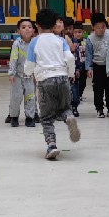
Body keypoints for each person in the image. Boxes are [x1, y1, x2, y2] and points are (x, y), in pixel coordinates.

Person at [25, 9, 80, 160]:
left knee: (46, 116)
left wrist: (28, 73)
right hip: (62, 77)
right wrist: (70, 73)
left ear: (37, 25)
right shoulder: (60, 40)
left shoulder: (34, 42)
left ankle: (52, 145)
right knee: (64, 107)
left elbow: (29, 64)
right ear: (55, 24)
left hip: (45, 80)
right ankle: (69, 117)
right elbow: (70, 58)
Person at [5, 18, 37, 127]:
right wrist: (11, 73)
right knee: (16, 97)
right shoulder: (16, 44)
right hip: (18, 76)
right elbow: (13, 58)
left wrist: (37, 74)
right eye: (23, 27)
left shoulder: (35, 43)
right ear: (18, 31)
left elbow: (38, 59)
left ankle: (30, 117)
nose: (27, 29)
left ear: (33, 30)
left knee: (30, 97)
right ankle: (14, 117)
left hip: (30, 76)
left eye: (29, 27)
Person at [85, 13, 109, 118]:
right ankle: (99, 109)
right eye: (98, 28)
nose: (101, 30)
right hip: (98, 66)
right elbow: (89, 55)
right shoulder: (90, 38)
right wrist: (88, 68)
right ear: (92, 27)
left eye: (103, 27)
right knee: (98, 89)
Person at [71, 22, 86, 116]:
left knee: (83, 82)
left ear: (83, 32)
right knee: (74, 84)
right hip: (75, 66)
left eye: (79, 32)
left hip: (83, 65)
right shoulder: (72, 43)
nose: (78, 34)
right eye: (75, 32)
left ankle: (79, 94)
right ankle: (75, 100)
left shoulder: (85, 41)